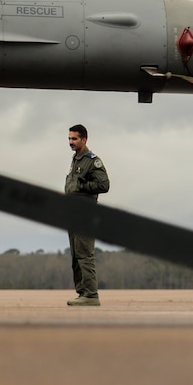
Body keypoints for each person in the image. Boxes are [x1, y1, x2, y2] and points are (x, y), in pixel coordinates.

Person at [64, 124, 111, 307]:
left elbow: (104, 185)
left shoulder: (92, 161)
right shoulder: (76, 160)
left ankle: (91, 295)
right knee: (76, 255)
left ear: (84, 140)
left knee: (84, 254)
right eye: (69, 138)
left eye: (74, 139)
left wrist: (83, 187)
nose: (70, 142)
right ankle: (82, 293)